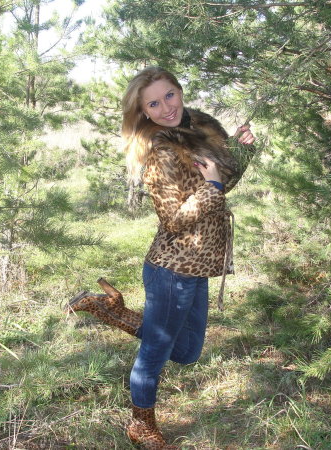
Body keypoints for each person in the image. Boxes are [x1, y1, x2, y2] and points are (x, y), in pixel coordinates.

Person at [66, 66, 255, 449]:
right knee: (154, 353)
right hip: (172, 269)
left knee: (186, 352)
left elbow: (222, 182)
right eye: (153, 104)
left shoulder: (198, 129)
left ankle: (109, 309)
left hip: (196, 265)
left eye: (169, 95)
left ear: (179, 91)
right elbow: (174, 219)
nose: (166, 107)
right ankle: (141, 426)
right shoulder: (162, 154)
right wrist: (212, 186)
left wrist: (241, 150)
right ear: (144, 112)